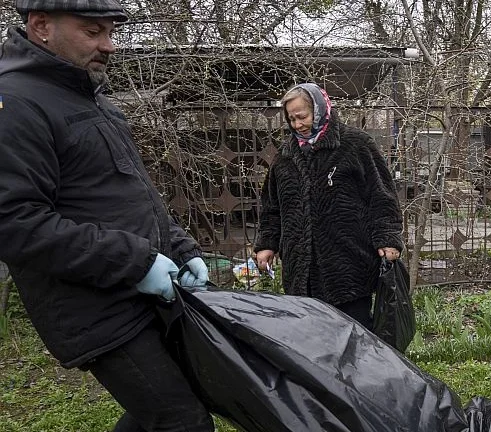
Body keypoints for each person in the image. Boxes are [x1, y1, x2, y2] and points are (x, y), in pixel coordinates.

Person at [0, 1, 214, 430]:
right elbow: (13, 221)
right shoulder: (16, 102)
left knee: (160, 412)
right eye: (93, 31)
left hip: (140, 293)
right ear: (41, 25)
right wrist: (134, 261)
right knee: (182, 422)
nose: (109, 45)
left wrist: (180, 247)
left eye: (111, 32)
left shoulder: (92, 98)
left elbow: (130, 193)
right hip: (94, 307)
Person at [254, 83, 404, 330]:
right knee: (310, 334)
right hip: (300, 266)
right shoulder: (285, 156)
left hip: (348, 261)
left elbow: (381, 196)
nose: (297, 125)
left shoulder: (355, 144)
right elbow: (272, 206)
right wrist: (267, 244)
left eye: (301, 116)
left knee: (353, 332)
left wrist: (387, 238)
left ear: (320, 109)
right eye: (291, 119)